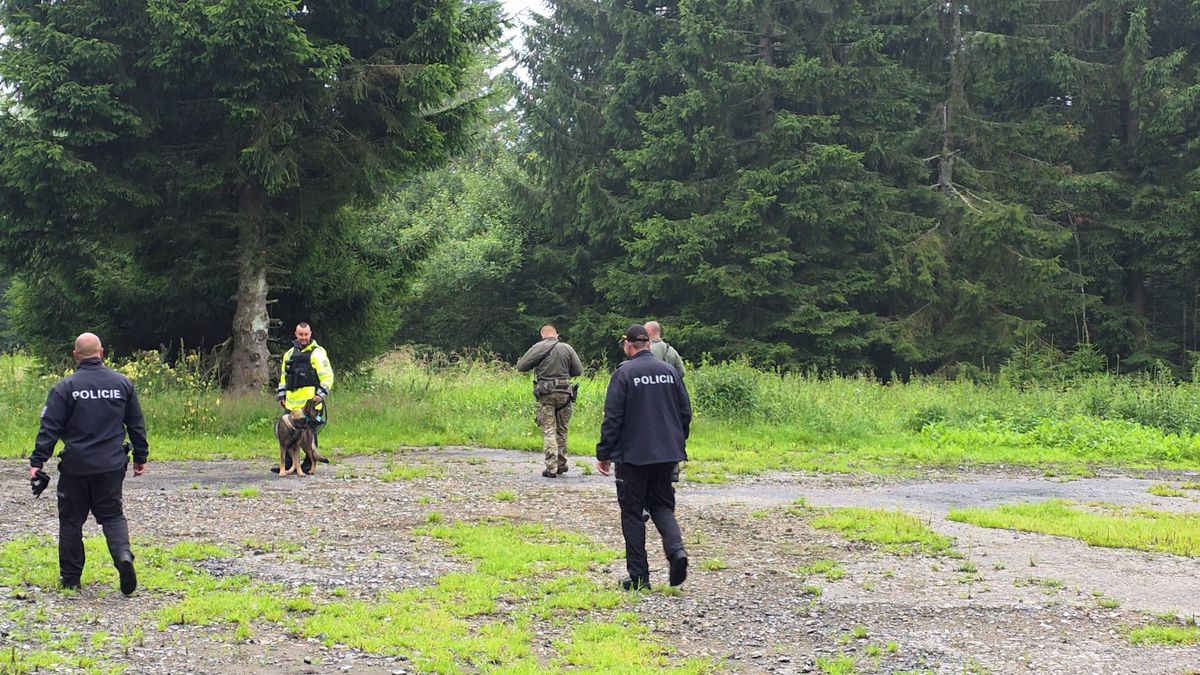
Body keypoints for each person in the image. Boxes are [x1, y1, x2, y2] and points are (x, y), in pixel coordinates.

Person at [29, 333, 148, 594]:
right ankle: (123, 555)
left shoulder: (65, 388)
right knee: (112, 515)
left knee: (71, 520)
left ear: (75, 355)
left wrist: (37, 461)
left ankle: (71, 579)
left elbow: (50, 427)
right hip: (111, 465)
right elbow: (136, 423)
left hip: (76, 467)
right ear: (102, 352)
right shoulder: (122, 384)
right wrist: (141, 457)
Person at [596, 324, 691, 591]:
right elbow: (685, 412)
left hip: (633, 456)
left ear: (628, 346)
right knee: (662, 506)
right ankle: (676, 552)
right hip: (667, 453)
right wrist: (677, 442)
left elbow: (612, 418)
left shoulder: (624, 373)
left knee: (632, 513)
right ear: (649, 344)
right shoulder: (670, 371)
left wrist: (604, 453)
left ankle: (639, 576)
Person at [516, 324, 584, 478]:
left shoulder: (538, 347)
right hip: (566, 394)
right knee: (562, 429)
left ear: (542, 336)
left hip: (546, 395)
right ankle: (561, 464)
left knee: (549, 429)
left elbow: (521, 367)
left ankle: (551, 467)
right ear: (556, 335)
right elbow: (578, 370)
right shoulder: (567, 348)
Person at [276, 322, 334, 474]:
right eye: (300, 334)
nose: (303, 337)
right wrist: (281, 395)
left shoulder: (318, 353)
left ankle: (309, 464)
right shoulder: (288, 354)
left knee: (309, 437)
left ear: (310, 334)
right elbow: (283, 378)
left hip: (310, 405)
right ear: (296, 334)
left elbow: (327, 376)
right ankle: (288, 464)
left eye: (306, 334)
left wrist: (320, 395)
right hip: (291, 405)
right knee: (286, 434)